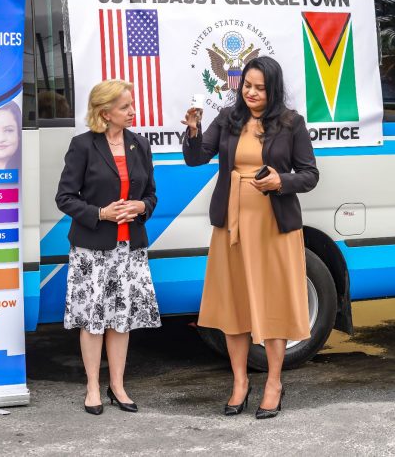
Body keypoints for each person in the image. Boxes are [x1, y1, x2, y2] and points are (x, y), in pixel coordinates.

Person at [182, 56, 319, 419]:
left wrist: (280, 181)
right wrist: (193, 128)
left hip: (273, 226)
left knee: (273, 301)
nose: (252, 93)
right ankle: (240, 382)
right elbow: (197, 158)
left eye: (259, 87)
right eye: (247, 86)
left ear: (272, 89)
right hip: (231, 224)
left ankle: (274, 382)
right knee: (234, 304)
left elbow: (309, 174)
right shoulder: (229, 119)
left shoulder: (291, 123)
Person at [56, 79, 161, 416]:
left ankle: (117, 385)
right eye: (125, 107)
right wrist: (100, 213)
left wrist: (141, 208)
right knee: (92, 319)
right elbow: (65, 198)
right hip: (92, 250)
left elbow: (151, 195)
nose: (133, 112)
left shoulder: (140, 145)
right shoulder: (83, 146)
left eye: (131, 105)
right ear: (105, 113)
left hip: (130, 248)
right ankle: (92, 387)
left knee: (122, 319)